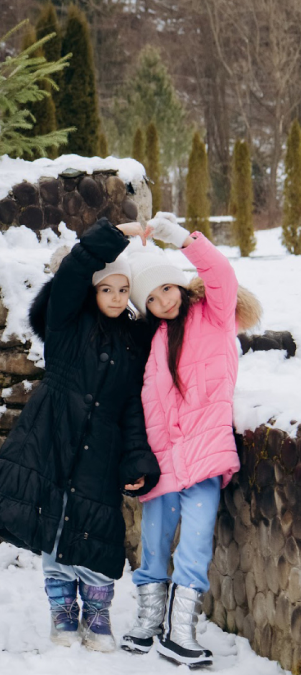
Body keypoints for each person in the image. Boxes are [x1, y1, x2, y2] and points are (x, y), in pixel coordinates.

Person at [0, 222, 160, 653]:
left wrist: (136, 458)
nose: (115, 297)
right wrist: (113, 235)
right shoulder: (67, 325)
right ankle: (63, 611)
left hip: (102, 449)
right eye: (107, 289)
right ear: (92, 292)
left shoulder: (133, 342)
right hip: (53, 435)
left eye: (123, 290)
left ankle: (97, 611)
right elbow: (72, 272)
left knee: (96, 527)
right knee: (54, 527)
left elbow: (133, 406)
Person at [120, 219, 261, 667]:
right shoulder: (151, 340)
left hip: (203, 455)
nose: (163, 301)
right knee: (155, 542)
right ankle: (148, 621)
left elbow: (221, 274)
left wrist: (177, 236)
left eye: (167, 289)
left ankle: (182, 630)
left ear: (178, 284)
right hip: (162, 461)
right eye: (152, 298)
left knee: (196, 541)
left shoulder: (213, 315)